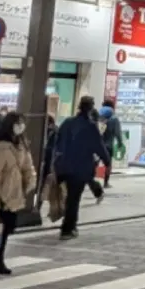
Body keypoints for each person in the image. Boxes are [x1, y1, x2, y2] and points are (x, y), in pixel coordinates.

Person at [0, 111, 36, 276]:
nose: (20, 126)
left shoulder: (21, 145)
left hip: (16, 192)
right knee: (2, 228)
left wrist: (29, 183)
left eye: (22, 123)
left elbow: (28, 167)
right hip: (3, 194)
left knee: (7, 228)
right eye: (18, 123)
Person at [53, 96, 109, 239]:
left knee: (69, 197)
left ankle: (69, 225)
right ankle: (68, 228)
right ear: (90, 108)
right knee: (73, 198)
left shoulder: (67, 122)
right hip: (80, 167)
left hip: (64, 166)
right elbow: (99, 146)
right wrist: (107, 161)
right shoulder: (90, 127)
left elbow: (57, 141)